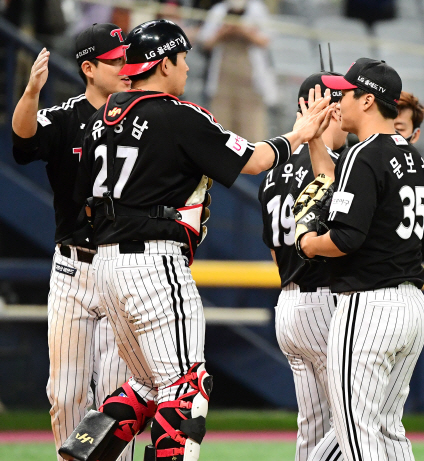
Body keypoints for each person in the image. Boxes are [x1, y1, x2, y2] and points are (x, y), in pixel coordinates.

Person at [60, 19, 333, 461]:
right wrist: (298, 134)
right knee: (186, 387)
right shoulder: (177, 114)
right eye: (183, 60)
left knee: (147, 383)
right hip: (154, 264)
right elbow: (253, 160)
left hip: (105, 264)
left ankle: (81, 450)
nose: (187, 69)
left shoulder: (98, 121)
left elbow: (83, 199)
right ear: (163, 63)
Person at [296, 58, 424, 461]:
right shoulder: (412, 156)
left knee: (357, 435)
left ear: (367, 100)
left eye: (345, 93)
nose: (338, 101)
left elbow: (344, 239)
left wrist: (307, 243)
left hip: (369, 306)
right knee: (387, 431)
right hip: (410, 306)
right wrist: (317, 140)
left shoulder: (363, 154)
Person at [11, 24, 133, 461]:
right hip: (72, 268)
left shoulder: (142, 117)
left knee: (118, 395)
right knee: (64, 394)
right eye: (116, 60)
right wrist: (30, 94)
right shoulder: (66, 115)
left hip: (123, 267)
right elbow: (24, 143)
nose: (125, 65)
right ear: (88, 68)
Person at [258, 70, 347, 461]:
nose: (344, 111)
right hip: (326, 300)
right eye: (338, 102)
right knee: (349, 423)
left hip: (289, 304)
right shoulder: (336, 165)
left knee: (312, 427)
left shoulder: (273, 168)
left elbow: (276, 250)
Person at [197, 0, 276, 141]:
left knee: (252, 132)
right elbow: (206, 41)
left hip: (251, 83)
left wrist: (244, 31)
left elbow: (266, 40)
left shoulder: (257, 9)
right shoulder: (219, 10)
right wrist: (223, 32)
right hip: (223, 82)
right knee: (222, 131)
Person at [394, 90, 424, 261]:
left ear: (415, 135)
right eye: (386, 127)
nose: (392, 136)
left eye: (399, 129)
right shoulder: (359, 166)